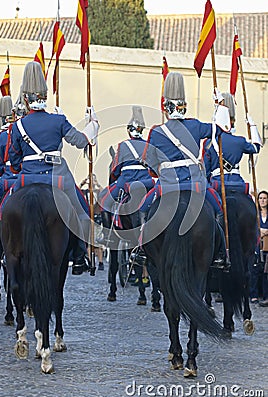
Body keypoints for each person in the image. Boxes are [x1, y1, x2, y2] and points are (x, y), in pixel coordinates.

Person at [7, 61, 99, 275]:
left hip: (27, 179)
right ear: (44, 97)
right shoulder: (58, 120)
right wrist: (92, 126)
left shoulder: (17, 126)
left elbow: (14, 158)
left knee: (4, 207)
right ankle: (79, 255)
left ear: (26, 100)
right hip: (57, 177)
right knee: (81, 212)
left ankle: (7, 249)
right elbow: (79, 141)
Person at [140, 72, 230, 269]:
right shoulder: (196, 125)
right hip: (196, 185)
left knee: (144, 209)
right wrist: (220, 105)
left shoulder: (156, 131)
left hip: (167, 187)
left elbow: (149, 164)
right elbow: (223, 127)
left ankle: (141, 252)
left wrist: (161, 171)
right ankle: (221, 252)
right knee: (217, 210)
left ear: (165, 108)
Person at [97, 105, 155, 245]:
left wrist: (114, 178)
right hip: (147, 181)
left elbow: (116, 168)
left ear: (129, 130)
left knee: (104, 200)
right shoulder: (149, 145)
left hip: (127, 180)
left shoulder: (123, 145)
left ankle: (107, 235)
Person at [203, 92, 261, 196]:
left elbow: (206, 171)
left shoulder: (209, 143)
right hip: (237, 183)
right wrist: (252, 125)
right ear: (233, 120)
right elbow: (256, 148)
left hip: (217, 183)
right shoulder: (240, 141)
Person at [80, 173, 106, 270]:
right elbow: (77, 191)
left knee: (97, 242)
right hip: (87, 218)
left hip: (97, 218)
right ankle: (90, 262)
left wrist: (97, 184)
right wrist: (83, 183)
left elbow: (104, 192)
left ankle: (100, 262)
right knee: (89, 242)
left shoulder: (98, 192)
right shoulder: (85, 191)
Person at [250, 190, 268, 307]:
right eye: (260, 198)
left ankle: (266, 296)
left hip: (267, 244)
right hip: (257, 244)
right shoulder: (255, 214)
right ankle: (254, 295)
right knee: (254, 270)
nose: (262, 200)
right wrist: (259, 231)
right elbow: (251, 227)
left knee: (266, 272)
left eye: (264, 198)